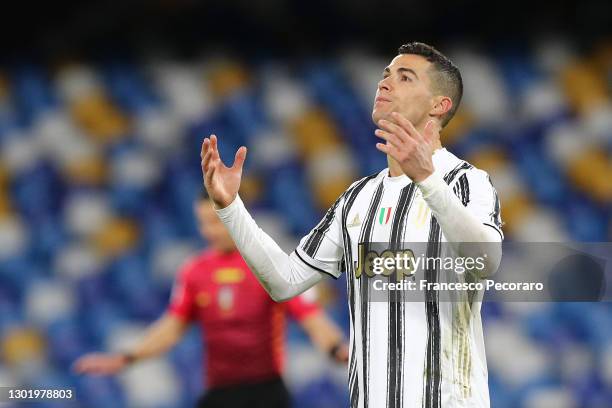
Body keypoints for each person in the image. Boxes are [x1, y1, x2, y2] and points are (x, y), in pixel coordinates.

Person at [200, 42, 504, 408]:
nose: (386, 84)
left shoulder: (466, 181)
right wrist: (230, 208)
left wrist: (426, 178)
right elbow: (286, 281)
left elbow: (486, 260)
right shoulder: (358, 198)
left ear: (439, 106)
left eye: (404, 77)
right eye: (385, 75)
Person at [73, 192, 349, 408]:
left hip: (266, 392)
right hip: (219, 392)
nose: (210, 231)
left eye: (217, 221)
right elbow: (172, 327)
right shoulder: (195, 271)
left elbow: (312, 319)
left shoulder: (273, 265)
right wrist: (127, 357)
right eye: (204, 222)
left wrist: (338, 349)